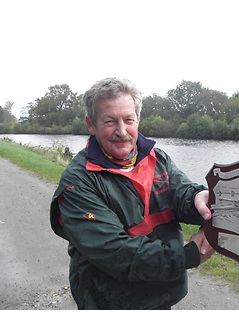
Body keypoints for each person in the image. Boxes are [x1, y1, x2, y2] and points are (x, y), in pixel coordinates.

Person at [50, 77, 214, 310]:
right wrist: (187, 255)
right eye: (109, 121)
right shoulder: (77, 183)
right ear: (91, 124)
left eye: (129, 120)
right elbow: (116, 252)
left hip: (159, 294)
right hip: (108, 302)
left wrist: (199, 198)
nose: (122, 131)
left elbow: (181, 193)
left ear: (137, 119)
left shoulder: (157, 158)